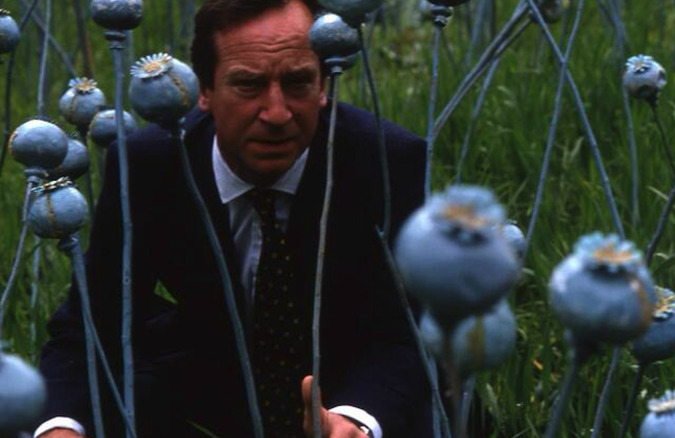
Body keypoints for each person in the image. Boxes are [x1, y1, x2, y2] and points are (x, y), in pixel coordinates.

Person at [36, 0, 431, 436]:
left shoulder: (384, 161)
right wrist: (61, 426)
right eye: (249, 85)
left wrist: (358, 419)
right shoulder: (150, 167)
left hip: (352, 385)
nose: (278, 114)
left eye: (298, 82)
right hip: (205, 391)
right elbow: (91, 325)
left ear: (324, 84)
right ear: (201, 92)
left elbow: (406, 330)